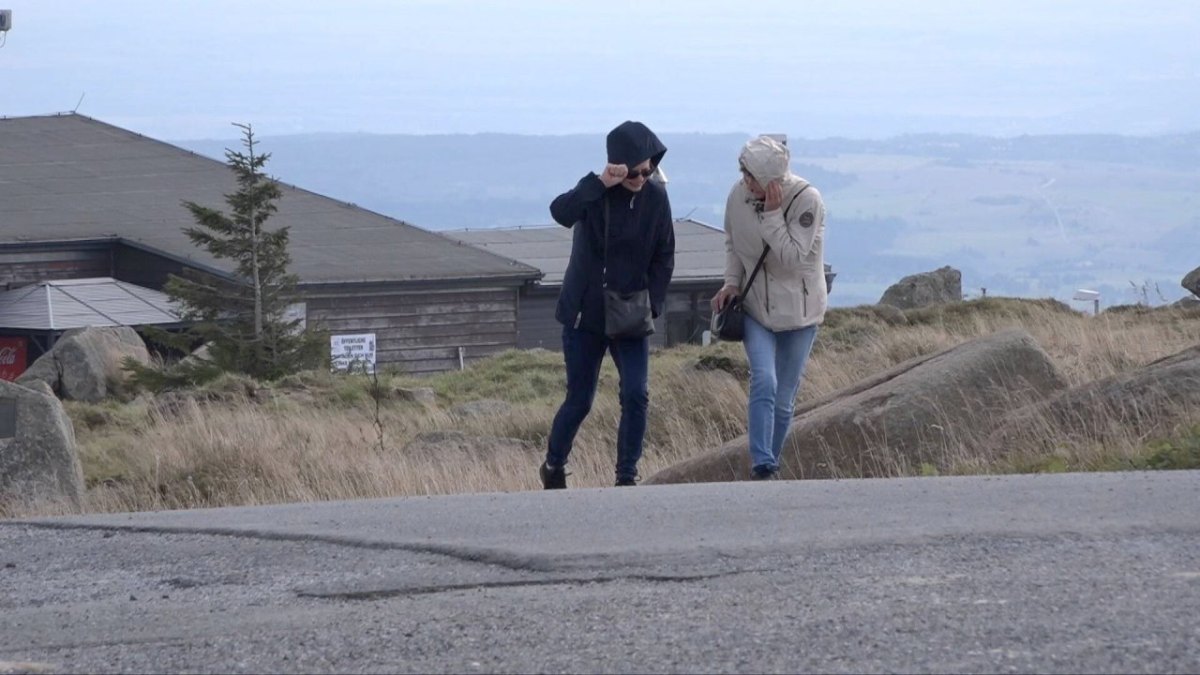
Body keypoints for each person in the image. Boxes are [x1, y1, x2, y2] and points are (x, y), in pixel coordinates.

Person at [540, 120, 675, 489]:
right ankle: (554, 463)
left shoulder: (657, 199)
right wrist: (599, 184)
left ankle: (626, 475)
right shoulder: (593, 194)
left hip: (632, 314)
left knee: (636, 393)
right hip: (586, 315)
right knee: (580, 400)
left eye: (647, 171)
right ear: (617, 166)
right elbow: (560, 211)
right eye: (634, 171)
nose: (641, 177)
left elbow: (665, 256)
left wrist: (653, 304)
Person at [711, 135, 827, 480]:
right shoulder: (738, 196)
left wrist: (773, 215)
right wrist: (732, 283)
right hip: (756, 308)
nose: (745, 183)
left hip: (799, 312)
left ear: (770, 180)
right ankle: (761, 461)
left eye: (752, 178)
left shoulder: (808, 200)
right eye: (743, 174)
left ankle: (771, 464)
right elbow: (733, 243)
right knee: (764, 379)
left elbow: (791, 257)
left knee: (784, 395)